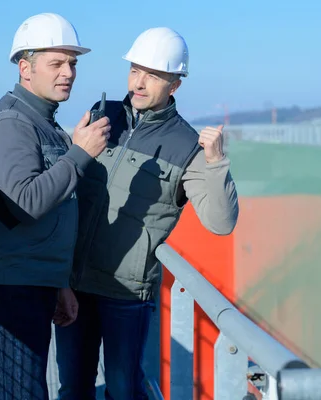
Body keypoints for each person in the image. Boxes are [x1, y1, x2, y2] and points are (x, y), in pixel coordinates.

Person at [55, 27, 239, 399]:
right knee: (73, 387)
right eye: (135, 70)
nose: (139, 83)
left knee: (124, 390)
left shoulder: (187, 145)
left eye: (153, 75)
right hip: (75, 282)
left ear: (175, 84)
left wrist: (216, 161)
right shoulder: (102, 114)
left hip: (126, 292)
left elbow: (221, 223)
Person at [0, 12, 110, 400]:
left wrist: (59, 282)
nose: (68, 73)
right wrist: (80, 153)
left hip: (32, 280)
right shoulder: (11, 124)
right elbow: (28, 202)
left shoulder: (42, 121)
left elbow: (53, 210)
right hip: (10, 285)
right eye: (57, 63)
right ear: (25, 67)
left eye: (73, 64)